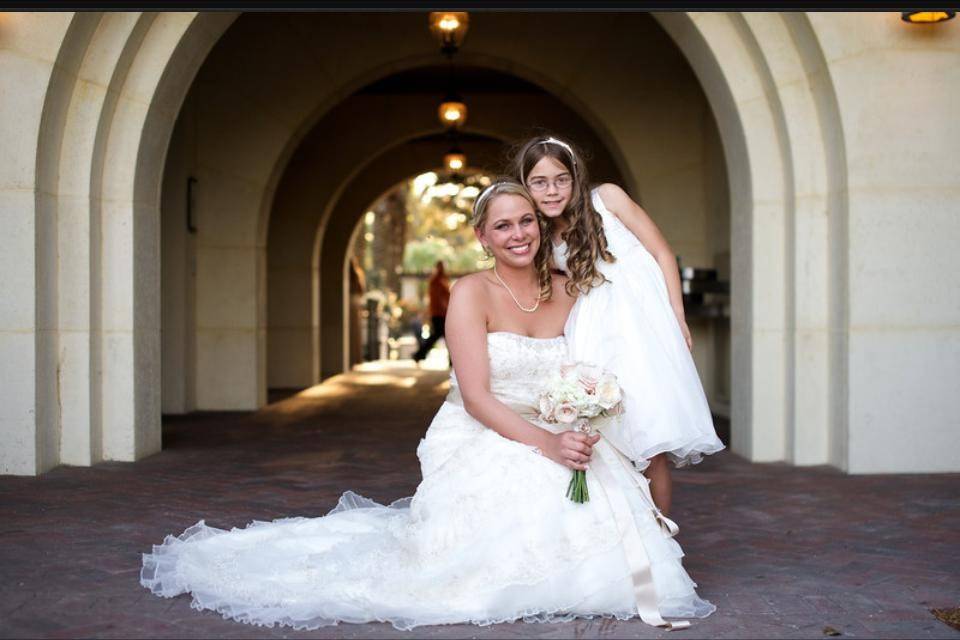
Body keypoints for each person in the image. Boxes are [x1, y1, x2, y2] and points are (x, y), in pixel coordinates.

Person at [139, 179, 715, 631]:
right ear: (482, 237)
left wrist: (589, 409)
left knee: (613, 524)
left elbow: (619, 328)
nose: (518, 234)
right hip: (490, 433)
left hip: (563, 429)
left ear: (541, 227)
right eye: (502, 227)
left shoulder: (572, 290)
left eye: (525, 222)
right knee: (514, 519)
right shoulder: (470, 293)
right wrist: (549, 443)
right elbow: (477, 396)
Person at [510, 135, 725, 516]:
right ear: (526, 186)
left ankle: (662, 538)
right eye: (539, 182)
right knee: (607, 441)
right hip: (595, 337)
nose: (552, 190)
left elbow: (660, 251)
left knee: (650, 441)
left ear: (575, 176)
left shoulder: (607, 198)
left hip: (643, 331)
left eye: (561, 178)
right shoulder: (542, 237)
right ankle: (623, 538)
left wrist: (676, 314)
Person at [412, 260, 450, 363]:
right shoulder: (436, 281)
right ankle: (419, 354)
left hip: (442, 313)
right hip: (439, 313)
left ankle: (419, 354)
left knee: (442, 335)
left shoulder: (442, 280)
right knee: (443, 335)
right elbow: (439, 298)